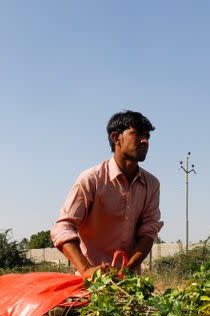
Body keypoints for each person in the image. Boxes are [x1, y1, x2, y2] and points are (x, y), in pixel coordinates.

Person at [51, 110, 163, 277]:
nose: (145, 140)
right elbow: (62, 228)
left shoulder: (151, 184)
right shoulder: (91, 179)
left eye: (147, 136)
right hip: (90, 284)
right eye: (137, 134)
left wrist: (128, 269)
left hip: (129, 282)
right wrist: (87, 271)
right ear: (116, 137)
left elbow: (149, 231)